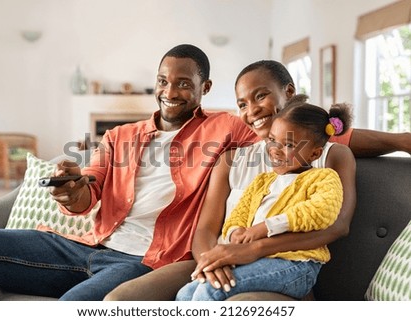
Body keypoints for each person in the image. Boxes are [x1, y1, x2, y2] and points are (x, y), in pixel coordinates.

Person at [0, 44, 258, 301]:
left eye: (183, 83)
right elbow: (86, 194)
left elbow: (278, 147)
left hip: (140, 262)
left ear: (204, 88)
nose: (169, 92)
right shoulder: (119, 136)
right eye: (162, 81)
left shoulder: (226, 127)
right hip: (86, 246)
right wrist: (71, 191)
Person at [105, 59, 410, 301]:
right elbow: (206, 229)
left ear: (287, 93)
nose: (252, 111)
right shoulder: (231, 159)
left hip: (278, 262)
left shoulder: (328, 155)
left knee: (235, 304)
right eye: (241, 104)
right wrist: (213, 260)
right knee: (120, 301)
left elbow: (338, 225)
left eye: (260, 95)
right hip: (221, 257)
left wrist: (252, 250)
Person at [176, 95, 350, 300]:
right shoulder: (262, 182)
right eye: (272, 140)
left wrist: (264, 228)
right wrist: (235, 232)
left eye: (289, 145)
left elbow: (321, 212)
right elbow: (239, 213)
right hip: (257, 260)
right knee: (186, 294)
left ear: (314, 154)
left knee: (211, 291)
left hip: (296, 266)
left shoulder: (323, 178)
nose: (275, 150)